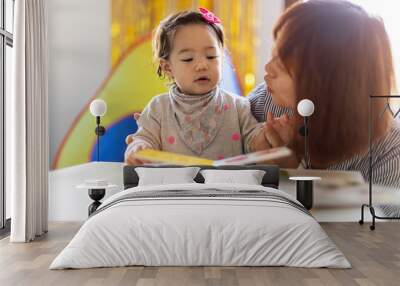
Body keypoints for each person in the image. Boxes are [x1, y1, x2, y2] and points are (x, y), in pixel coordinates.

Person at [249, 0, 400, 187]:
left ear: (327, 84)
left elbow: (380, 215)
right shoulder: (264, 101)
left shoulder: (390, 150)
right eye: (274, 55)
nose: (268, 69)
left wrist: (292, 172)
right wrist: (248, 147)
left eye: (282, 66)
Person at [124, 8, 267, 165]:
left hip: (228, 187)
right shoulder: (158, 108)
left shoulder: (239, 107)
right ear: (167, 68)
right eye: (188, 58)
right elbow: (144, 139)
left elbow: (256, 144)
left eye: (211, 56)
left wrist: (267, 136)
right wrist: (139, 147)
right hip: (174, 187)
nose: (202, 65)